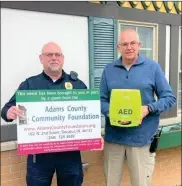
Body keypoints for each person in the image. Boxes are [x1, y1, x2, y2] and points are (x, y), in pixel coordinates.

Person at [1, 42, 87, 186]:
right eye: (49, 55)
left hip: (69, 154)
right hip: (39, 156)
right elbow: (6, 109)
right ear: (41, 59)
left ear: (63, 58)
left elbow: (88, 114)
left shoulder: (78, 85)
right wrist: (8, 112)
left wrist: (92, 135)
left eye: (57, 55)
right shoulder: (30, 85)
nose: (54, 58)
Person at [100, 29, 176, 186]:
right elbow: (101, 100)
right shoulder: (108, 70)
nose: (129, 47)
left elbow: (169, 98)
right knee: (111, 183)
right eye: (125, 44)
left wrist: (148, 108)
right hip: (114, 139)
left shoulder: (153, 68)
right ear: (118, 47)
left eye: (133, 43)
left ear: (139, 45)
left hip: (142, 139)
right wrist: (114, 112)